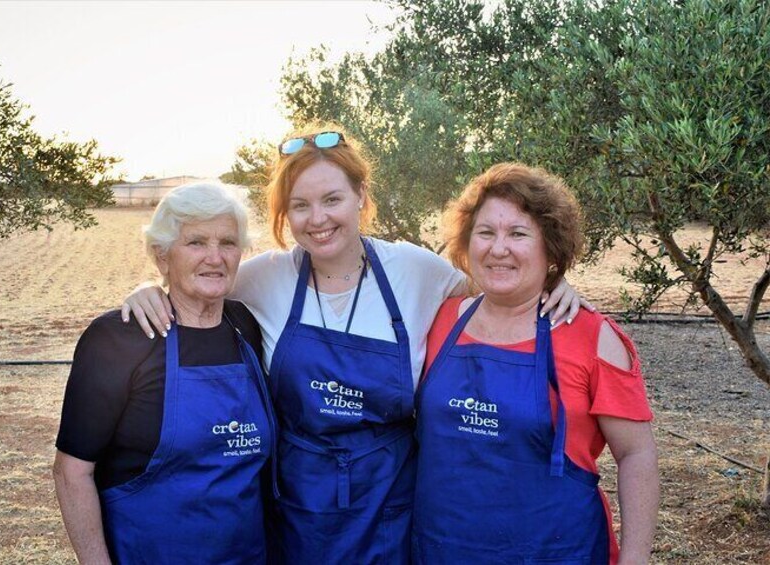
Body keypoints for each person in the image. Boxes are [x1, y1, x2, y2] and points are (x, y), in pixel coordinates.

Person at [120, 127, 583, 563]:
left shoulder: (416, 271)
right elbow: (201, 277)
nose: (317, 219)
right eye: (300, 205)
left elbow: (498, 285)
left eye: (332, 199)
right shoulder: (264, 277)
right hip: (299, 509)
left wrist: (555, 283)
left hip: (391, 509)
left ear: (361, 197)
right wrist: (151, 287)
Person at [412, 163, 659, 564]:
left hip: (558, 552)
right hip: (443, 548)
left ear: (551, 249)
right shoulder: (440, 320)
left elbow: (636, 455)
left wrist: (635, 560)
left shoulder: (592, 337)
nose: (498, 248)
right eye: (486, 232)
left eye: (518, 233)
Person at [53, 182, 276, 564]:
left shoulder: (247, 327)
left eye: (227, 242)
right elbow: (71, 473)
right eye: (195, 242)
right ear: (161, 256)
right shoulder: (119, 338)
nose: (215, 257)